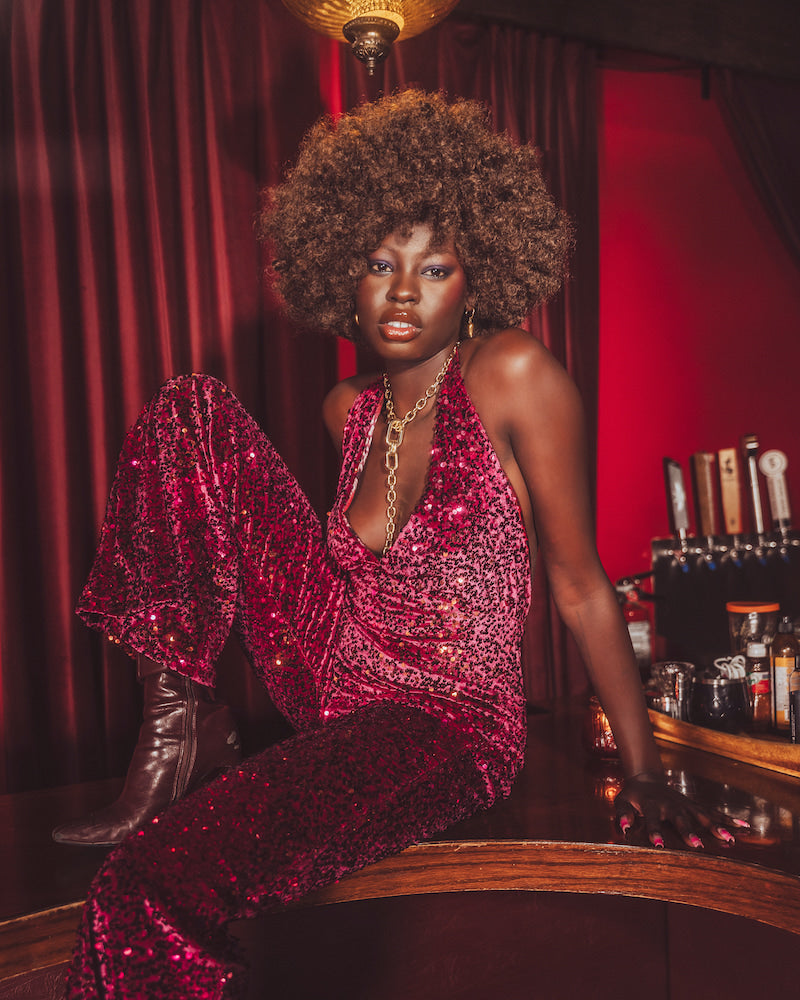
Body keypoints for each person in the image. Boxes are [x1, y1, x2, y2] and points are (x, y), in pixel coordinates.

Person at [57, 89, 732, 998]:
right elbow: (326, 575)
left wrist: (646, 769)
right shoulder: (348, 410)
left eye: (435, 267)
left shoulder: (514, 375)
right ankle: (179, 725)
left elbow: (579, 585)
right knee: (190, 408)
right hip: (329, 671)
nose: (404, 291)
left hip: (446, 720)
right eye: (381, 263)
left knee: (153, 881)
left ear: (475, 279)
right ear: (345, 271)